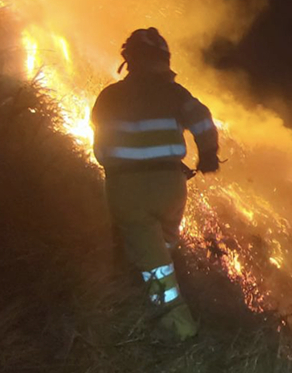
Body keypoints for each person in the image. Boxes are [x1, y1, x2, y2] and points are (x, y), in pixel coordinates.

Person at [91, 27, 219, 341]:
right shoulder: (173, 92)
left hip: (127, 190)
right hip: (170, 188)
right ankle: (137, 288)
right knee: (161, 248)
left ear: (129, 61)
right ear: (163, 60)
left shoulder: (109, 96)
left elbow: (100, 143)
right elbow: (202, 119)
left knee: (153, 263)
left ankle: (178, 329)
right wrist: (208, 155)